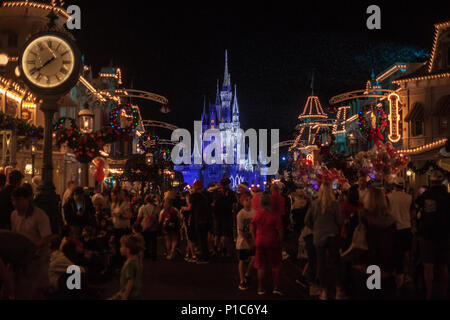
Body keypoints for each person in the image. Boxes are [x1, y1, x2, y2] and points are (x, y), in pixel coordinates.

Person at [305, 181, 346, 300]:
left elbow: (307, 220)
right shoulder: (335, 204)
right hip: (332, 235)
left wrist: (315, 228)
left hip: (318, 236)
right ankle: (339, 290)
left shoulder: (314, 204)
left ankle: (324, 290)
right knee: (336, 262)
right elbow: (340, 221)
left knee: (321, 263)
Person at [10, 186, 52, 299]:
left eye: (18, 200)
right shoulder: (14, 215)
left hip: (38, 259)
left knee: (37, 290)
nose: (15, 203)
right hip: (21, 259)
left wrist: (33, 248)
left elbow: (46, 237)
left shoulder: (39, 215)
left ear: (27, 199)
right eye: (13, 200)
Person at [415, 170, 450, 300]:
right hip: (444, 235)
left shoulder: (425, 196)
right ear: (441, 182)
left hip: (427, 235)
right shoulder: (448, 197)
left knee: (428, 267)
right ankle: (443, 293)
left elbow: (416, 212)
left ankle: (429, 294)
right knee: (443, 266)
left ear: (431, 181)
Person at [360, 186, 396, 293]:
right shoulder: (390, 220)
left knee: (367, 291)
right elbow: (395, 244)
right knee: (382, 291)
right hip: (385, 261)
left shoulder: (362, 216)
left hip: (365, 260)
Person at [250, 192, 283, 296]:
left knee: (261, 266)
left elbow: (252, 227)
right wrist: (280, 241)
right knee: (275, 265)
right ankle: (276, 287)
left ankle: (260, 288)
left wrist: (255, 238)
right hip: (272, 241)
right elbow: (280, 231)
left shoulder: (258, 214)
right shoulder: (275, 215)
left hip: (260, 241)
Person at [387, 176, 414, 290]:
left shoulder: (389, 197)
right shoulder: (409, 197)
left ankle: (395, 273)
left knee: (393, 252)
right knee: (406, 253)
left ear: (394, 185)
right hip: (406, 227)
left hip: (394, 228)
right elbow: (412, 213)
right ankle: (407, 274)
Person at [110, 235, 144, 300]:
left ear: (128, 250)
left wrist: (125, 296)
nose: (120, 248)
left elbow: (130, 282)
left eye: (121, 246)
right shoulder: (136, 259)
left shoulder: (129, 264)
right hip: (136, 294)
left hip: (130, 295)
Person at [186, 180, 212, 264]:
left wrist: (183, 208)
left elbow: (190, 207)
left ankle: (203, 257)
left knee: (200, 239)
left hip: (198, 219)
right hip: (207, 219)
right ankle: (206, 255)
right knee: (204, 238)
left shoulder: (194, 196)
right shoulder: (207, 194)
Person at [236, 193, 256, 290]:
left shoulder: (255, 212)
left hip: (252, 239)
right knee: (242, 260)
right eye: (246, 200)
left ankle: (247, 273)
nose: (249, 201)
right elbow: (240, 230)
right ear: (242, 202)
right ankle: (242, 279)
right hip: (242, 241)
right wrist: (247, 242)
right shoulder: (240, 214)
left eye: (250, 199)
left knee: (254, 258)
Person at [214, 178, 236, 257]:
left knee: (217, 233)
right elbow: (234, 203)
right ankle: (224, 249)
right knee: (225, 234)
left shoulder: (217, 192)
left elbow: (214, 204)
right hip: (226, 215)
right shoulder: (230, 193)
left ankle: (216, 249)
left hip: (218, 215)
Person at [137, 195, 159, 260]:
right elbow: (158, 216)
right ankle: (153, 255)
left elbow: (139, 217)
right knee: (153, 241)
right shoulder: (156, 208)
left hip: (144, 226)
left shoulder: (142, 208)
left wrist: (138, 224)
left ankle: (146, 254)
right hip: (153, 226)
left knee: (145, 241)